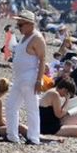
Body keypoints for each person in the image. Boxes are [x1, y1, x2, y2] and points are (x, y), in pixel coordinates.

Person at [5, 10, 46, 145]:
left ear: (29, 24)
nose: (18, 27)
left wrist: (39, 80)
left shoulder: (37, 38)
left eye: (20, 24)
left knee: (31, 108)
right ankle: (12, 136)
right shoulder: (24, 37)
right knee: (11, 106)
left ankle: (34, 138)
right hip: (19, 78)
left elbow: (42, 59)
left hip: (29, 77)